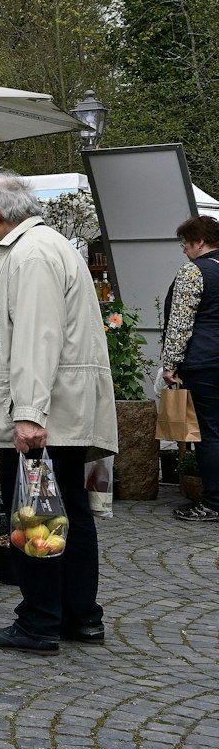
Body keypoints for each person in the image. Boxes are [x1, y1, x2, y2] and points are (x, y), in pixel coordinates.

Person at [0, 169, 116, 652]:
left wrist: (28, 412)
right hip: (62, 409)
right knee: (69, 510)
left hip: (46, 414)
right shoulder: (48, 246)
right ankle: (80, 616)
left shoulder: (30, 254)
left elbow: (35, 337)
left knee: (36, 515)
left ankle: (39, 621)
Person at [161, 215, 219, 521]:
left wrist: (170, 363)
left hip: (205, 362)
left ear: (200, 242)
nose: (184, 249)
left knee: (210, 433)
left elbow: (180, 323)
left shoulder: (194, 271)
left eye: (185, 243)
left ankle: (213, 503)